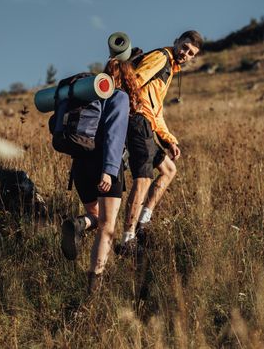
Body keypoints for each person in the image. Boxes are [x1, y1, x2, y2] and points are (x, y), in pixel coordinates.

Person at [60, 58, 143, 293]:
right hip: (104, 167)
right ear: (127, 78)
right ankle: (94, 286)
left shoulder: (89, 98)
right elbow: (114, 137)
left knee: (94, 216)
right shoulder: (119, 97)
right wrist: (108, 171)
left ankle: (78, 223)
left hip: (80, 166)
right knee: (108, 227)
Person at [118, 30, 203, 250]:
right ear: (176, 42)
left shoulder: (170, 68)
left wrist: (169, 140)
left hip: (146, 122)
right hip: (138, 120)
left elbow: (157, 110)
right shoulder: (161, 58)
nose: (185, 53)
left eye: (190, 53)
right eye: (184, 47)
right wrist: (133, 111)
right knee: (143, 179)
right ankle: (128, 239)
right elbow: (134, 81)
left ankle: (143, 224)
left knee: (169, 170)